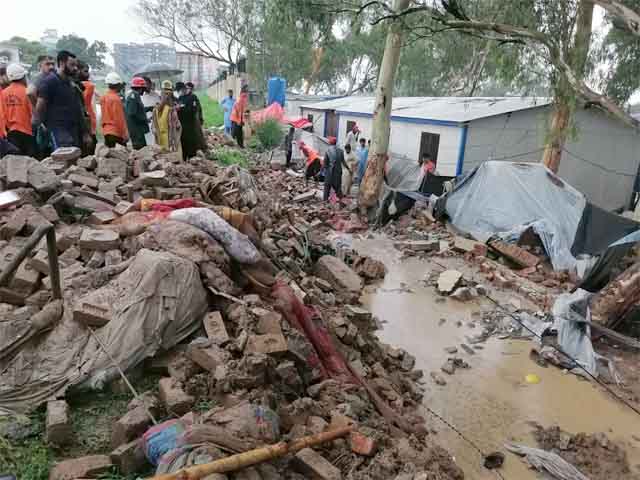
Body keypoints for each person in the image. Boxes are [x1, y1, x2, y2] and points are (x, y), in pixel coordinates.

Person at [35, 50, 89, 149]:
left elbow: (78, 108)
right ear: (62, 63)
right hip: (58, 130)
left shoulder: (71, 84)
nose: (75, 68)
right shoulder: (49, 82)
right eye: (72, 65)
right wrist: (41, 124)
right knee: (63, 160)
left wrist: (85, 132)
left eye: (76, 65)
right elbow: (40, 105)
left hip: (73, 130)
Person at [2, 64, 35, 157]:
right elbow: (32, 113)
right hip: (27, 131)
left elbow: (3, 115)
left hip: (11, 133)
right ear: (23, 77)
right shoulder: (27, 91)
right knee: (30, 162)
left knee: (16, 162)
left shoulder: (3, 93)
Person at [153, 80, 182, 154]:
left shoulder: (174, 107)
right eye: (165, 92)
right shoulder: (157, 107)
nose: (167, 94)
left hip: (173, 137)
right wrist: (164, 100)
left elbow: (178, 125)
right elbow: (157, 115)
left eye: (169, 92)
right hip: (163, 138)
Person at [176, 81, 203, 159]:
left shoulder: (192, 97)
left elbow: (193, 110)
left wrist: (181, 109)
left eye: (180, 90)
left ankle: (192, 160)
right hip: (182, 126)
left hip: (190, 125)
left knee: (191, 144)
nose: (179, 92)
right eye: (178, 91)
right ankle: (184, 160)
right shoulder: (180, 98)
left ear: (183, 89)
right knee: (183, 144)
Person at [100, 72, 128, 147]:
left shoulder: (103, 97)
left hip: (106, 132)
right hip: (116, 132)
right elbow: (119, 118)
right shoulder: (116, 99)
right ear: (118, 85)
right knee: (122, 156)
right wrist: (124, 134)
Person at [125, 76, 149, 150]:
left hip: (138, 129)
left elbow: (138, 110)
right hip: (136, 130)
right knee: (140, 150)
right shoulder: (134, 95)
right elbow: (132, 113)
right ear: (140, 88)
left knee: (143, 149)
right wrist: (144, 119)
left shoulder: (135, 95)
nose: (144, 91)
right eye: (143, 89)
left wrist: (149, 108)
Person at [78, 62, 97, 154]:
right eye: (85, 71)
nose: (88, 74)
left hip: (87, 120)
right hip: (86, 121)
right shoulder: (89, 86)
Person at [141, 76, 160, 145]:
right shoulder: (140, 96)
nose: (145, 86)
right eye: (144, 84)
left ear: (150, 84)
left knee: (154, 143)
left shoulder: (156, 95)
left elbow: (159, 108)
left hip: (154, 123)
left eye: (147, 84)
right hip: (144, 123)